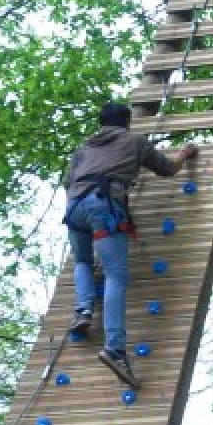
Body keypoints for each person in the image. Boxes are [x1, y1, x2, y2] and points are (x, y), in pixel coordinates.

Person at [63, 102, 198, 388]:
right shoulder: (135, 142)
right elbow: (169, 169)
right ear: (127, 122)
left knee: (83, 261)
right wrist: (184, 154)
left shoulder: (82, 149)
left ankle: (83, 310)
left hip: (75, 207)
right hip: (104, 205)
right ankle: (114, 348)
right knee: (116, 275)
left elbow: (68, 182)